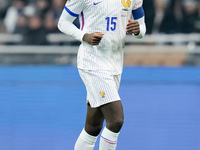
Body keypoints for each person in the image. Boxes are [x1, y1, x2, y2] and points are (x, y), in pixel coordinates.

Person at [58, 0, 146, 149]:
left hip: (115, 63)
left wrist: (138, 31)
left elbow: (141, 28)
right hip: (92, 62)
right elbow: (63, 22)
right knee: (116, 120)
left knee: (93, 126)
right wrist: (84, 35)